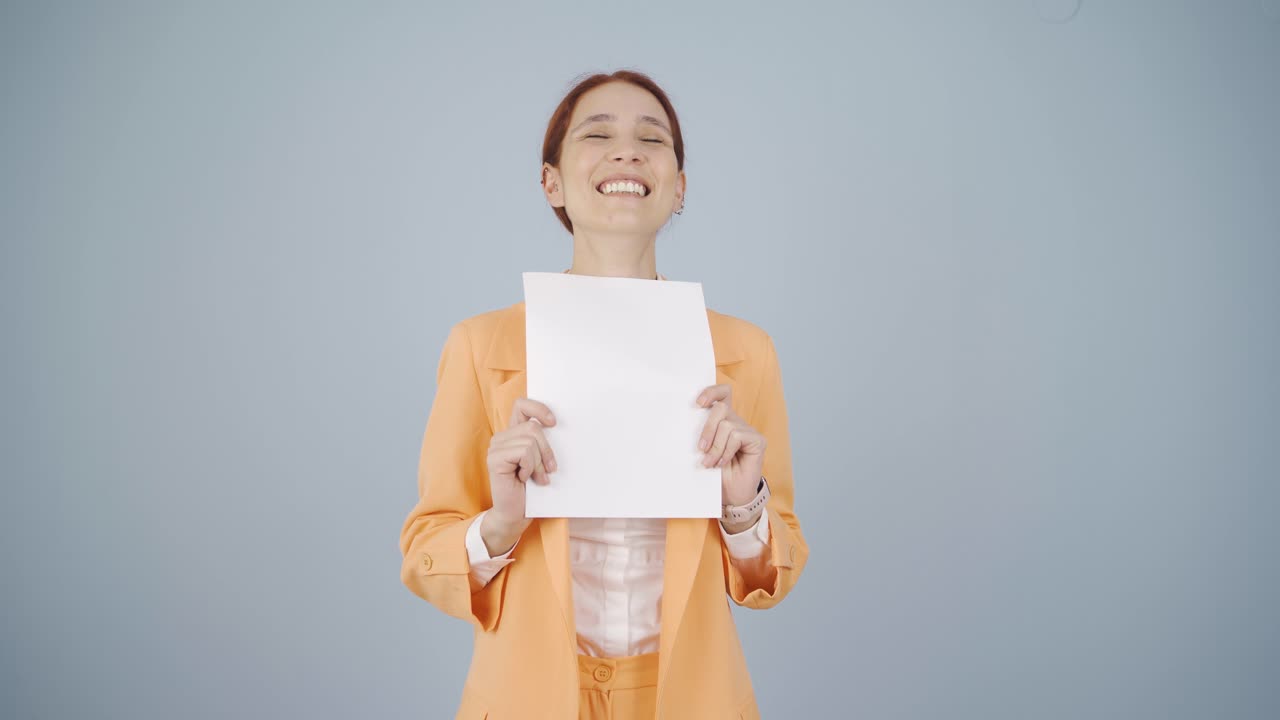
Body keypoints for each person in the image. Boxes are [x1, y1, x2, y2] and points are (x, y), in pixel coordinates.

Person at [399, 69, 809, 720]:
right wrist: (502, 522)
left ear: (678, 189)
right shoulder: (482, 345)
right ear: (551, 182)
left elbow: (769, 579)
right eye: (597, 134)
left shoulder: (744, 354)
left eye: (653, 138)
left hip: (692, 698)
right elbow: (424, 558)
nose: (627, 151)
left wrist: (743, 506)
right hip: (527, 699)